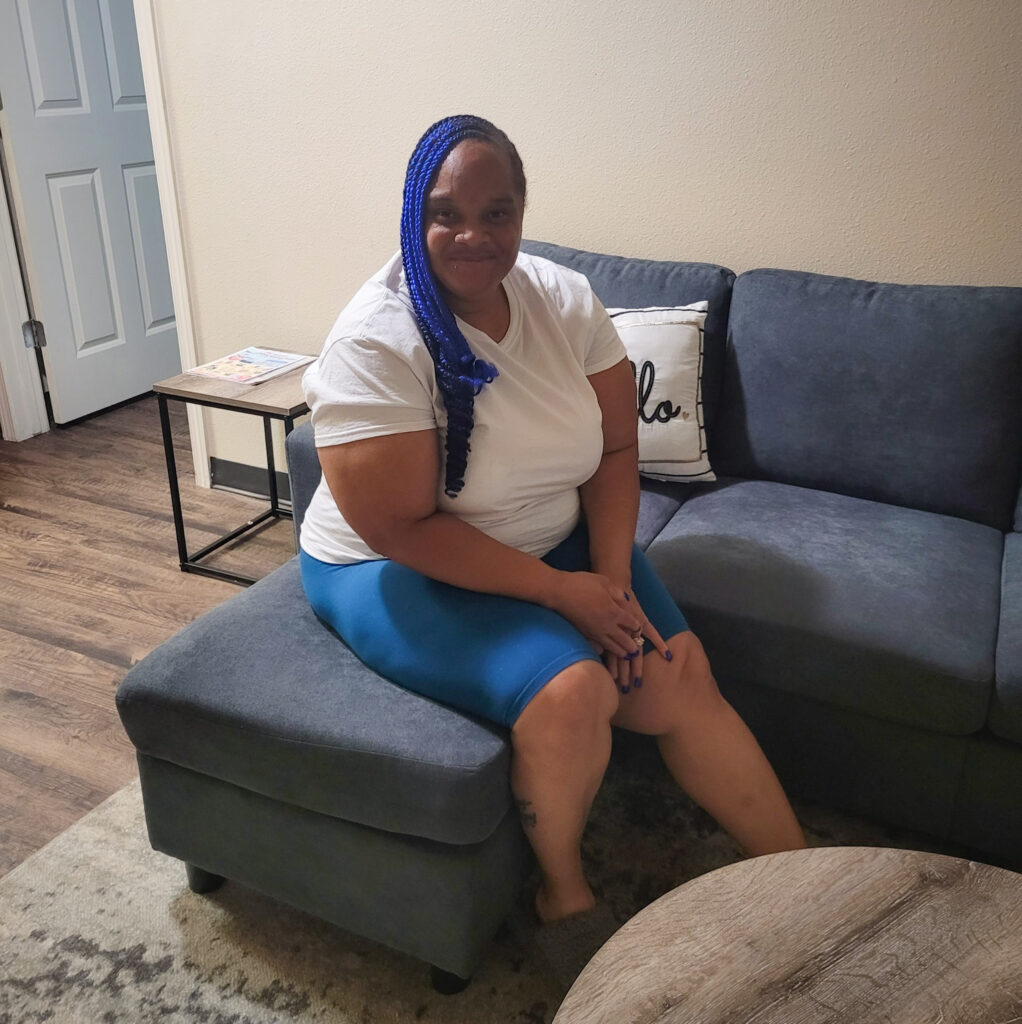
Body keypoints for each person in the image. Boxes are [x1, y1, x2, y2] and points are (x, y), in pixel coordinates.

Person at [299, 114, 805, 931]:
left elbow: (614, 448)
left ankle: (807, 882)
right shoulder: (375, 341)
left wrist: (607, 579)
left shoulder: (561, 296)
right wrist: (558, 593)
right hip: (392, 564)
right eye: (444, 213)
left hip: (547, 533)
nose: (472, 234)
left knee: (674, 670)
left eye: (496, 212)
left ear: (521, 214)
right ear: (410, 216)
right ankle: (564, 896)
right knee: (574, 696)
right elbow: (400, 527)